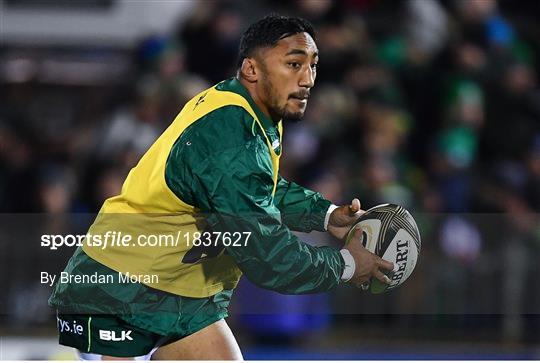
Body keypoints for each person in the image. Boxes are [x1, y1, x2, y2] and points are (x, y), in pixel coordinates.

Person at [49, 14, 394, 360]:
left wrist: (326, 215)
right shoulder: (232, 136)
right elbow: (267, 256)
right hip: (119, 288)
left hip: (178, 293)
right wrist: (348, 265)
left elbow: (260, 188)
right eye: (293, 64)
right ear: (251, 70)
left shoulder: (249, 109)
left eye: (313, 66)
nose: (307, 79)